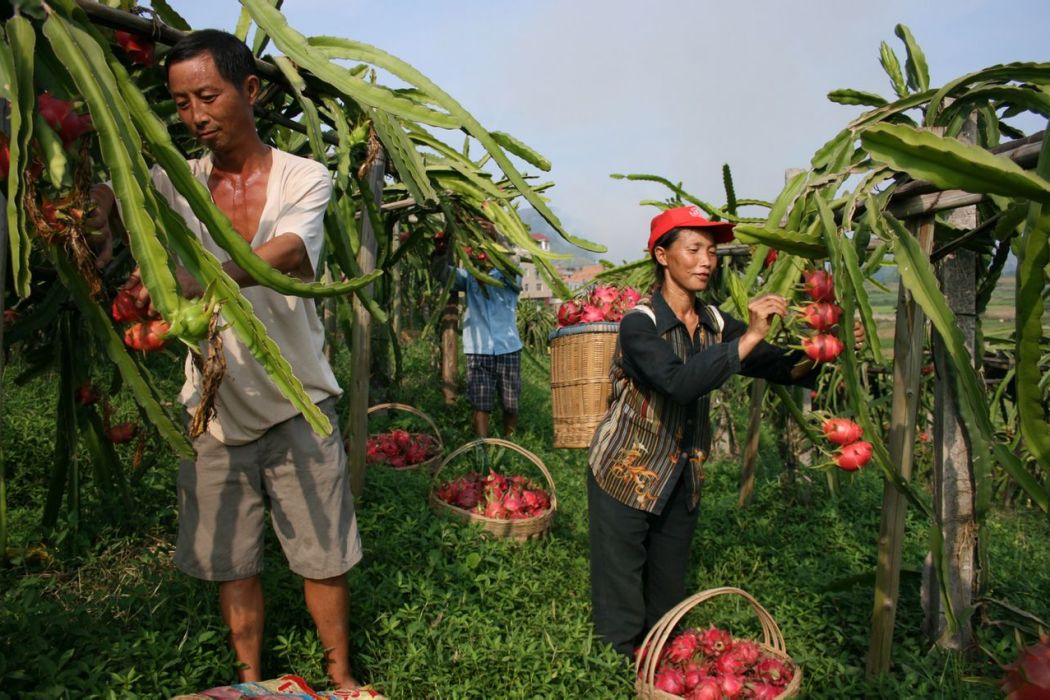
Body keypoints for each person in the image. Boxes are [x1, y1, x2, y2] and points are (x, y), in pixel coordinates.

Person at [88, 30, 364, 689]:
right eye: (181, 104)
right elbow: (114, 192)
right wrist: (93, 203)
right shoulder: (173, 180)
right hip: (213, 406)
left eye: (207, 96)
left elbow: (292, 250)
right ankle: (248, 679)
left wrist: (201, 280)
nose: (195, 115)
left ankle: (342, 678)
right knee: (234, 560)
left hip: (299, 398)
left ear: (250, 90)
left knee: (321, 558)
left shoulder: (306, 176)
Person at [586, 205, 861, 658]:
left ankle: (659, 669)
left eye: (711, 251)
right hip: (624, 471)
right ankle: (613, 670)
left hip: (680, 475)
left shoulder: (714, 321)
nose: (706, 261)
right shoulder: (640, 324)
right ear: (662, 255)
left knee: (668, 593)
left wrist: (824, 346)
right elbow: (679, 384)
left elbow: (776, 365)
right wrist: (748, 337)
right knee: (621, 594)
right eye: (693, 249)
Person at [433, 227, 523, 438]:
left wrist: (496, 233)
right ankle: (483, 447)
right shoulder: (469, 278)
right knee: (480, 403)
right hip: (479, 348)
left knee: (511, 404)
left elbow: (513, 265)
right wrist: (440, 250)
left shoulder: (509, 276)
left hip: (508, 347)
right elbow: (443, 274)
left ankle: (510, 442)